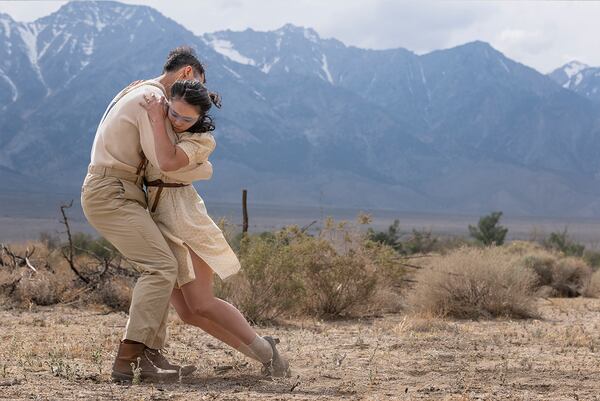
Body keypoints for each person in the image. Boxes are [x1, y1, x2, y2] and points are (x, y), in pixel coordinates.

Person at [139, 80, 290, 377]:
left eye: (187, 119)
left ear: (200, 119)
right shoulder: (163, 125)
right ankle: (264, 354)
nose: (179, 122)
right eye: (174, 114)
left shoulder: (201, 140)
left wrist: (158, 119)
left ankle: (267, 353)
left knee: (202, 303)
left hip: (186, 220)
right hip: (157, 219)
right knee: (187, 313)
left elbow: (168, 161)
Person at [81, 47, 209, 383]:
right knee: (161, 266)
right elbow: (164, 161)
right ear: (185, 74)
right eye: (195, 83)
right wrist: (203, 163)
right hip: (113, 191)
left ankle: (149, 355)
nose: (193, 95)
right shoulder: (150, 99)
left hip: (119, 189)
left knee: (164, 262)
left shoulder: (139, 90)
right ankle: (129, 360)